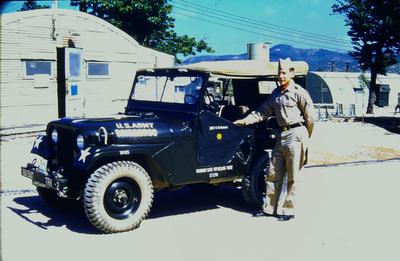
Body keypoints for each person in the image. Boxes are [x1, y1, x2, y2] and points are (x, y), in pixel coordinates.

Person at [234, 58, 316, 221]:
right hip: (281, 135)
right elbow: (262, 112)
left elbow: (310, 117)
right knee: (272, 173)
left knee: (292, 176)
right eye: (279, 73)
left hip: (296, 133)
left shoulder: (299, 92)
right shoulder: (276, 94)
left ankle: (287, 210)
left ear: (291, 73)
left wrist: (305, 136)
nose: (281, 76)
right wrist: (243, 120)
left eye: (284, 73)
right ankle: (269, 208)